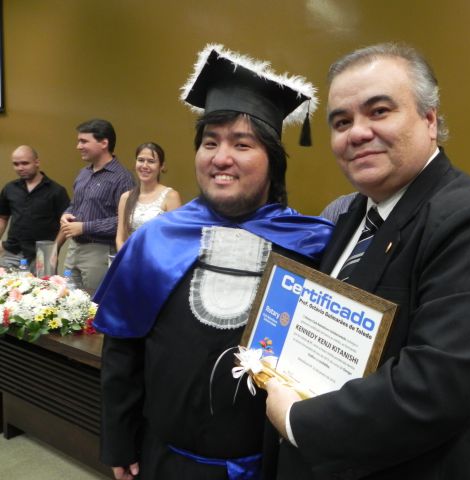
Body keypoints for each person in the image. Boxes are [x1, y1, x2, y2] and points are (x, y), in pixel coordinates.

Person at [265, 42, 470, 480]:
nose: (357, 133)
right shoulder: (354, 214)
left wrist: (299, 421)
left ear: (430, 120)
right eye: (341, 121)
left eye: (379, 111)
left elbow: (438, 387)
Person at [93, 44, 333, 480]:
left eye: (242, 144)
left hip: (271, 466)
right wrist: (119, 441)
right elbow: (122, 353)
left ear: (273, 162)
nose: (221, 157)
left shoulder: (311, 246)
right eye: (210, 142)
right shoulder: (155, 242)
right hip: (165, 461)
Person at [59, 119, 135, 294]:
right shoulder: (83, 173)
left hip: (99, 252)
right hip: (73, 249)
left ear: (104, 143)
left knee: (94, 304)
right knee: (66, 301)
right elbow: (74, 205)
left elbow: (125, 221)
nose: (78, 146)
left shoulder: (122, 178)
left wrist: (84, 227)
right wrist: (66, 214)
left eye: (84, 141)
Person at [0, 145, 70, 270]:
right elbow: (2, 218)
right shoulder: (9, 188)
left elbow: (66, 224)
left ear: (37, 162)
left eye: (25, 163)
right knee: (6, 283)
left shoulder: (56, 191)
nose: (20, 168)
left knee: (44, 284)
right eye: (16, 164)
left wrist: (54, 249)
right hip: (13, 251)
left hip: (43, 254)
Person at [115, 142, 181, 251]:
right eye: (141, 160)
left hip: (158, 257)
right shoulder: (126, 198)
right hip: (130, 257)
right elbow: (120, 238)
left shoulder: (171, 196)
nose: (145, 166)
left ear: (161, 166)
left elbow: (174, 238)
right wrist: (126, 258)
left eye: (151, 161)